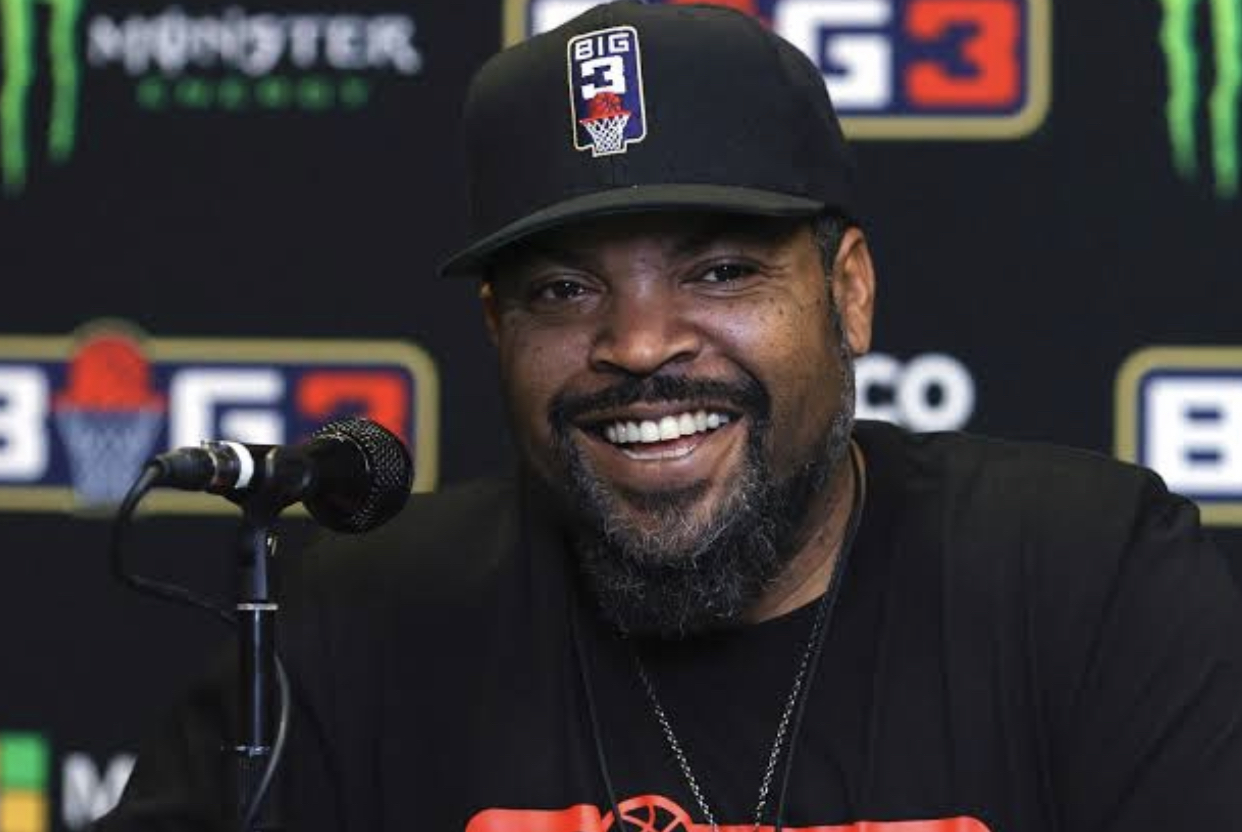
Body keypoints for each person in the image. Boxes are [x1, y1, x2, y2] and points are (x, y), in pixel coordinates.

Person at [98, 3, 1242, 831]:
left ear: (847, 291)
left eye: (720, 271)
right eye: (564, 290)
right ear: (496, 328)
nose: (640, 345)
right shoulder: (360, 614)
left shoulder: (1089, 581)